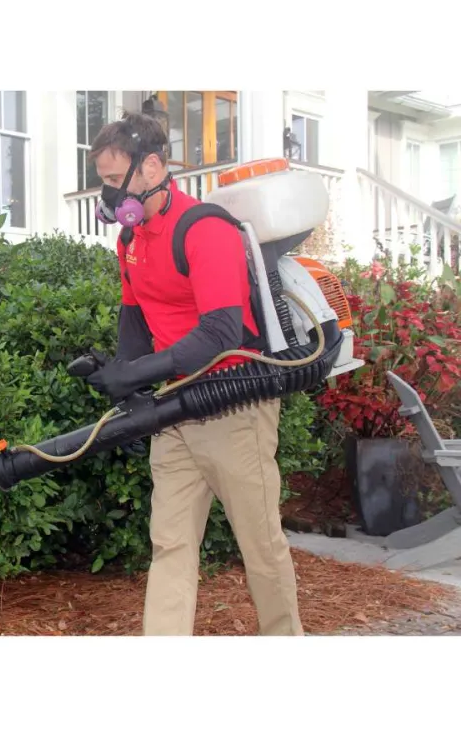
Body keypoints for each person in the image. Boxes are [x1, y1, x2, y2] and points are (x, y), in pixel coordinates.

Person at [85, 110, 304, 637]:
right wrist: (128, 386)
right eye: (104, 183)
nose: (109, 196)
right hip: (175, 406)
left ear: (154, 166)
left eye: (117, 181)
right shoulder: (130, 242)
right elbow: (135, 321)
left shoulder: (205, 229)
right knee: (171, 544)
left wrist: (144, 371)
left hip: (234, 405)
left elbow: (222, 331)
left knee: (261, 543)